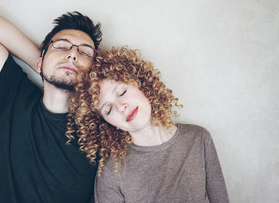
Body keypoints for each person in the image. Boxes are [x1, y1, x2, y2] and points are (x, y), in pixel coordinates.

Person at [0, 4, 102, 203]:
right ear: (39, 62)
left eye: (85, 53)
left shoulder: (99, 134)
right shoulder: (14, 96)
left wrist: (59, 64)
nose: (73, 54)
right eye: (63, 46)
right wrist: (47, 68)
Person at [67, 47, 230, 203]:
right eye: (109, 109)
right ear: (109, 124)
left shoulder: (199, 138)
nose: (121, 106)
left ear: (141, 85)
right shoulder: (112, 171)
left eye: (122, 92)